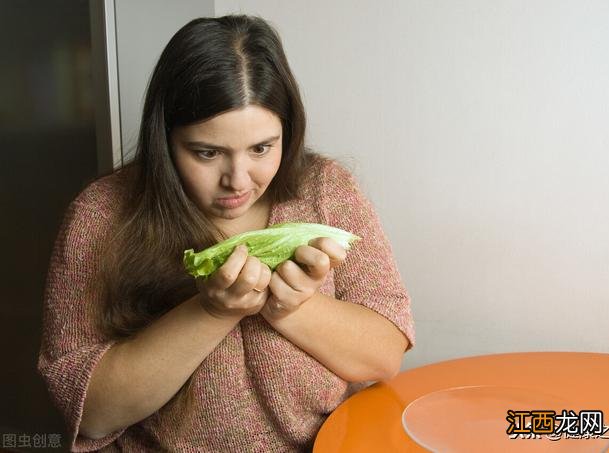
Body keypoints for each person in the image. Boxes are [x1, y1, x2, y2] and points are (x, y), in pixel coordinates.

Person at [37, 15, 414, 452]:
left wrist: (291, 306)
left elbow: (384, 355)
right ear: (165, 139)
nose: (238, 180)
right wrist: (212, 311)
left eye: (261, 148)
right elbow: (92, 412)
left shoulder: (325, 189)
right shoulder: (101, 215)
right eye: (207, 152)